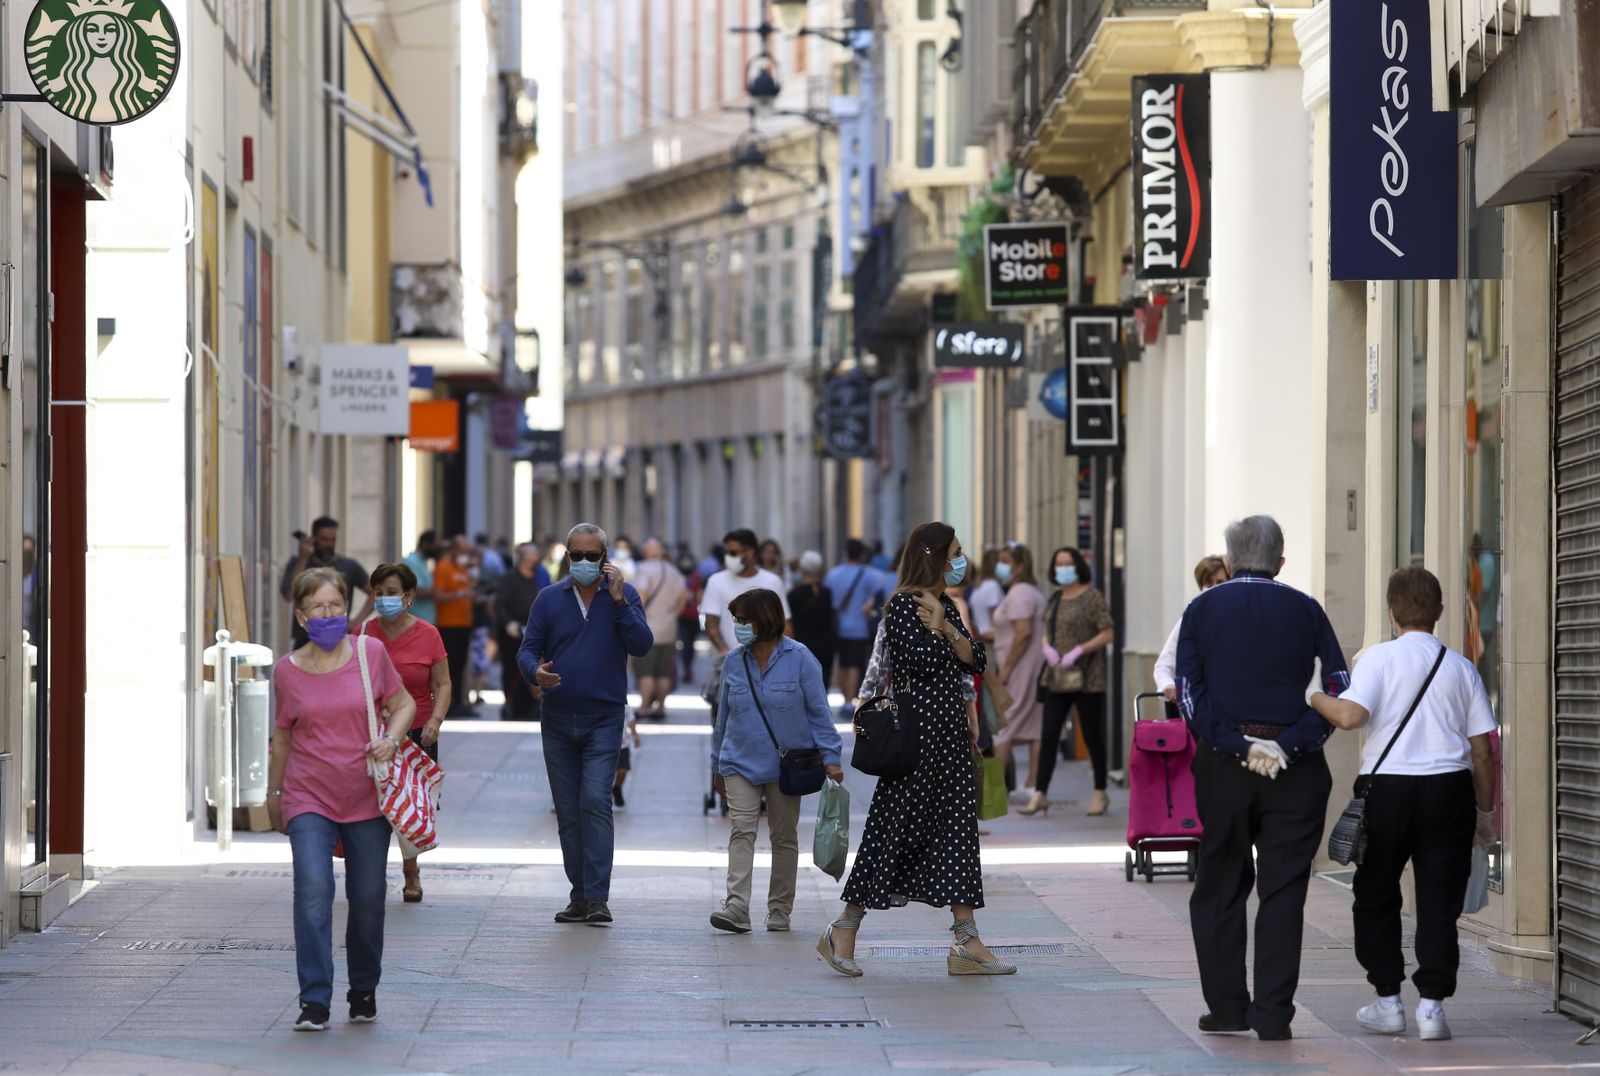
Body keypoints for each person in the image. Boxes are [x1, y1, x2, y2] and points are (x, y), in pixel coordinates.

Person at [1175, 515, 1351, 1041]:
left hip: (1225, 767)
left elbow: (1188, 693)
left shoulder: (1202, 608)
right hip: (1295, 769)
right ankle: (1273, 1014)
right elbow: (1339, 689)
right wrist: (1286, 744)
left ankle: (1228, 1007)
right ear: (1280, 562)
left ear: (1228, 562)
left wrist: (1237, 745)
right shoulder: (1306, 609)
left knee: (1220, 882)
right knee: (1284, 890)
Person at [819, 522, 1016, 979]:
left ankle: (967, 942)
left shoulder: (943, 605)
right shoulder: (904, 606)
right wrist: (952, 640)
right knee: (890, 832)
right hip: (916, 739)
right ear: (935, 556)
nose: (961, 561)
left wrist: (947, 627)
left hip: (948, 737)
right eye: (956, 552)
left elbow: (979, 662)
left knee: (959, 836)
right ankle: (843, 928)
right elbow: (921, 661)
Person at [1308, 567, 1498, 1043]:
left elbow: (1350, 716)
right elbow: (1483, 749)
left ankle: (1388, 1002)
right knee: (1438, 902)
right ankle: (1432, 1009)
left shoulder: (1378, 659)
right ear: (1439, 612)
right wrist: (1485, 810)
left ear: (1391, 614)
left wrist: (1312, 695)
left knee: (1375, 895)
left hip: (1387, 792)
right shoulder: (1460, 667)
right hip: (1448, 791)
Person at [267, 568, 416, 1032]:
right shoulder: (287, 672)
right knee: (313, 895)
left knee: (368, 898)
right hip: (308, 794)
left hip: (366, 796)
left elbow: (406, 703)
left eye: (336, 605)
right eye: (319, 608)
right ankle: (314, 1000)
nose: (329, 614)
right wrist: (274, 797)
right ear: (301, 616)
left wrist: (390, 739)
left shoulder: (370, 654)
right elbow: (284, 740)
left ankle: (363, 988)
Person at [517, 523, 654, 926]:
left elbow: (642, 644)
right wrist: (533, 672)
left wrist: (617, 603)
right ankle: (579, 895)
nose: (583, 562)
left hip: (604, 716)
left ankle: (597, 896)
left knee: (595, 801)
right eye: (575, 555)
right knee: (568, 811)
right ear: (566, 556)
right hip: (557, 716)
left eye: (591, 556)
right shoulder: (548, 599)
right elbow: (527, 648)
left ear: (605, 559)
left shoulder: (624, 597)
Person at [711, 588, 845, 934]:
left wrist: (832, 757)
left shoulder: (800, 658)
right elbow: (722, 718)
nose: (738, 626)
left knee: (783, 837)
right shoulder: (733, 661)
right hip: (739, 761)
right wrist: (716, 764)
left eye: (744, 620)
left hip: (788, 766)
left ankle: (779, 908)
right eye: (736, 620)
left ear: (765, 620)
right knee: (742, 830)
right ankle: (736, 906)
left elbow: (819, 713)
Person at [356, 563, 451, 903]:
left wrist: (435, 722)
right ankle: (371, 873)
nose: (384, 600)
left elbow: (442, 683)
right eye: (379, 593)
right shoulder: (364, 633)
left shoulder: (428, 634)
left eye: (392, 593)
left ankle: (411, 870)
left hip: (417, 735)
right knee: (374, 807)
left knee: (410, 806)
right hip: (375, 735)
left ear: (409, 596)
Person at [1031, 546, 1118, 817]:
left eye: (1068, 564)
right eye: (1059, 564)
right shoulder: (1056, 598)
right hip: (1057, 675)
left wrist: (1080, 650)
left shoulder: (1092, 598)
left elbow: (1107, 633)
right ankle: (1040, 793)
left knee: (1092, 735)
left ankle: (1099, 792)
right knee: (1048, 734)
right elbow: (1047, 630)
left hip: (1087, 677)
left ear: (1078, 566)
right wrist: (1047, 648)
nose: (1063, 569)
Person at [990, 545, 1049, 815]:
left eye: (1005, 561)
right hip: (1033, 666)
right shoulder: (1028, 593)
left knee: (1003, 727)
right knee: (1035, 726)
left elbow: (1022, 632)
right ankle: (1032, 784)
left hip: (1020, 668)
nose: (999, 566)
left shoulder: (1019, 594)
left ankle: (993, 794)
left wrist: (1008, 669)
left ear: (1020, 566)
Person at [279, 517, 372, 649]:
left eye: (333, 539)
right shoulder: (299, 562)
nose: (329, 544)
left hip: (338, 637)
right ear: (314, 539)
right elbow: (288, 594)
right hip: (305, 638)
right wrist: (303, 558)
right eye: (324, 539)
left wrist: (357, 621)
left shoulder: (348, 565)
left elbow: (375, 592)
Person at [701, 528, 792, 663]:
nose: (728, 557)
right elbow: (711, 623)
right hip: (729, 663)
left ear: (750, 553)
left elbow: (784, 624)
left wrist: (782, 658)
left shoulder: (772, 582)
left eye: (732, 553)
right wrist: (726, 653)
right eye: (725, 553)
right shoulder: (716, 581)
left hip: (767, 663)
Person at [1154, 555, 1230, 710]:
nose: (1214, 588)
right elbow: (1164, 665)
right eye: (1208, 583)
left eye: (1220, 582)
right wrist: (1168, 685)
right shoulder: (1191, 618)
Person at [825, 539, 885, 716]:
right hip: (859, 626)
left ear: (845, 552)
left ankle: (845, 699)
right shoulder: (869, 575)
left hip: (838, 626)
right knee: (855, 664)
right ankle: (851, 701)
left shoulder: (833, 574)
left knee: (842, 663)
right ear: (862, 554)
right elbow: (878, 594)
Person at [631, 538, 688, 721]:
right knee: (663, 672)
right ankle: (661, 708)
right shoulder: (674, 571)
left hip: (648, 626)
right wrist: (672, 614)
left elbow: (641, 595)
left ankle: (644, 707)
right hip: (669, 628)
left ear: (647, 552)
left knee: (645, 671)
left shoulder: (643, 569)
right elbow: (684, 597)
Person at [494, 543, 550, 721]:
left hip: (530, 629)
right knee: (512, 668)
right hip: (512, 631)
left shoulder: (534, 578)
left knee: (530, 666)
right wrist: (508, 623)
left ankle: (528, 705)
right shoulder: (510, 578)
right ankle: (513, 705)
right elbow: (500, 603)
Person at [431, 536, 476, 718]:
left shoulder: (462, 568)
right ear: (454, 549)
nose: (466, 555)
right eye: (463, 551)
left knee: (461, 665)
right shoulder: (443, 567)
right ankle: (450, 705)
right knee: (451, 666)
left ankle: (459, 701)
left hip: (463, 623)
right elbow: (439, 595)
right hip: (448, 624)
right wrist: (459, 594)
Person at [788, 551, 836, 690]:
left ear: (802, 568)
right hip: (825, 643)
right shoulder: (827, 593)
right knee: (823, 680)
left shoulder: (793, 594)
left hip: (802, 642)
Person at [401, 531, 445, 625]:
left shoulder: (425, 562)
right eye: (435, 545)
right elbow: (417, 590)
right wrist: (442, 592)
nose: (437, 549)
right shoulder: (411, 561)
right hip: (416, 621)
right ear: (425, 544)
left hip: (427, 621)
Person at [966, 549, 1004, 645]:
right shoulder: (993, 586)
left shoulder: (979, 586)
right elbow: (995, 617)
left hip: (981, 638)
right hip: (991, 639)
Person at [677, 547, 703, 684]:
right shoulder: (677, 576)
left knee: (690, 644)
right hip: (680, 615)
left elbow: (700, 594)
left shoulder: (697, 576)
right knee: (684, 643)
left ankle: (688, 667)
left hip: (693, 615)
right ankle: (685, 667)